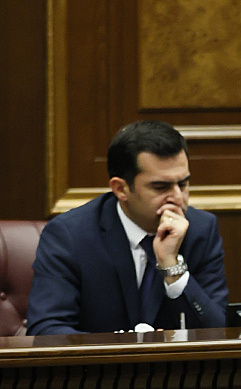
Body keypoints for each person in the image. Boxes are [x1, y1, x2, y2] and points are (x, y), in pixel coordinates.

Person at [27, 121, 228, 335]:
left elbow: (218, 332)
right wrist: (121, 347)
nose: (178, 198)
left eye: (183, 184)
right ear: (121, 189)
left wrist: (172, 267)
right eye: (160, 187)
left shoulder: (200, 230)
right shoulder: (70, 235)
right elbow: (45, 331)